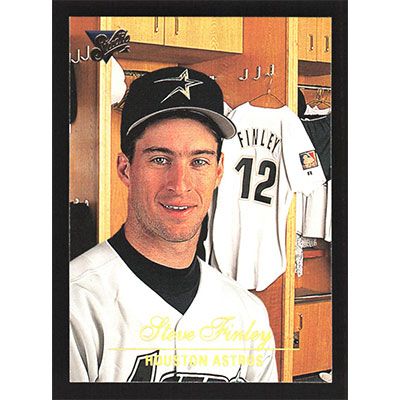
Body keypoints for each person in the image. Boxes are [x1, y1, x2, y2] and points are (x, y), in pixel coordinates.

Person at [70, 66, 278, 383]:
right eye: (160, 159)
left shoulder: (248, 313)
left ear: (218, 171)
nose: (179, 185)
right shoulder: (75, 304)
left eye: (199, 161)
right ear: (126, 169)